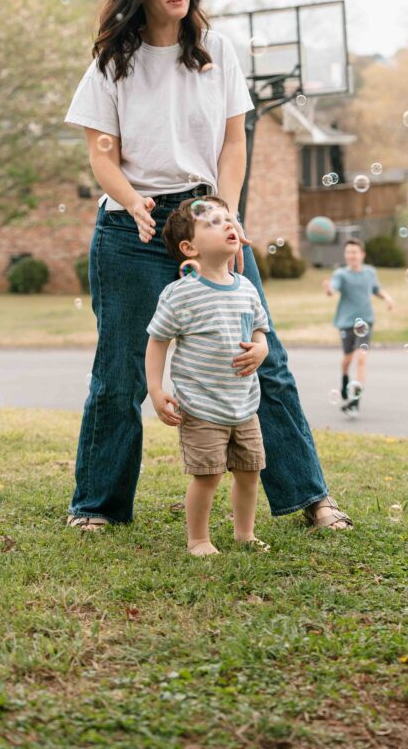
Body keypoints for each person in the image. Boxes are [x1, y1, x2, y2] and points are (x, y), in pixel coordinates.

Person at [63, 0, 352, 534]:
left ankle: (311, 499)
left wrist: (224, 211)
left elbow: (231, 142)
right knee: (119, 374)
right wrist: (132, 201)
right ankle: (97, 507)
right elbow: (101, 155)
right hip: (132, 232)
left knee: (261, 360)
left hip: (207, 217)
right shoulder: (112, 62)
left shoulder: (216, 49)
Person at [145, 196, 271, 556]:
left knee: (249, 472)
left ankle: (244, 534)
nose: (230, 225)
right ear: (189, 247)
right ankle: (198, 538)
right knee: (208, 475)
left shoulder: (246, 287)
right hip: (200, 406)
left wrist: (261, 349)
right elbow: (157, 342)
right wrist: (155, 390)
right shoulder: (181, 294)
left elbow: (260, 330)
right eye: (214, 222)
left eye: (230, 219)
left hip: (244, 404)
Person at [323, 238, 394, 415]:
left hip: (365, 322)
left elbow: (375, 289)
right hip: (346, 323)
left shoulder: (370, 272)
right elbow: (333, 288)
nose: (351, 255)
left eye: (354, 252)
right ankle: (345, 379)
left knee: (361, 359)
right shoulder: (341, 274)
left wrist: (387, 297)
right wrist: (328, 289)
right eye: (348, 252)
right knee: (347, 360)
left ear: (362, 254)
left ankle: (355, 402)